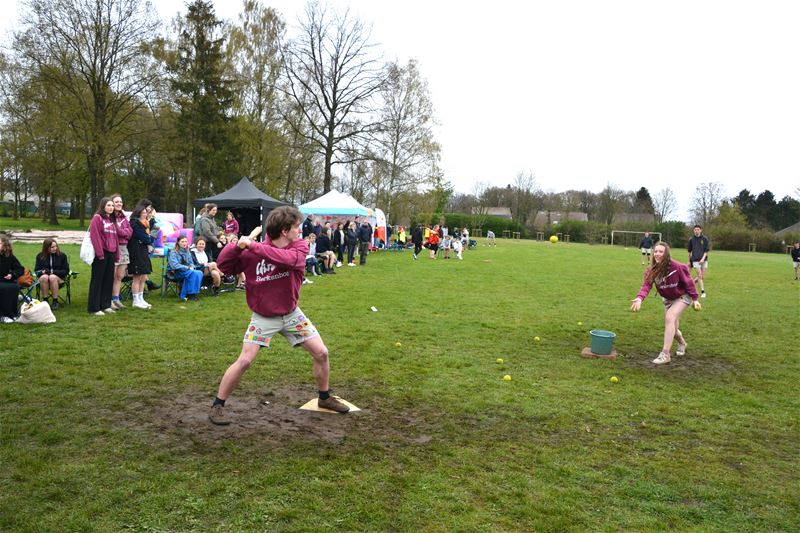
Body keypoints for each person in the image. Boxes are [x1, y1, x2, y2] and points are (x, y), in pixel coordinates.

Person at [208, 205, 350, 425]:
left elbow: (288, 260)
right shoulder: (251, 251)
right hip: (263, 316)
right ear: (284, 230)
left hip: (292, 314)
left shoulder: (299, 247)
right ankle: (218, 405)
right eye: (296, 227)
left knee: (321, 353)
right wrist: (237, 246)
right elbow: (224, 265)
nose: (300, 231)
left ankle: (324, 397)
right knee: (245, 360)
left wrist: (252, 247)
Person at [630, 241, 701, 365]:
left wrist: (695, 299)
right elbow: (646, 286)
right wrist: (640, 298)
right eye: (655, 251)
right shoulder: (651, 270)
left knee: (669, 318)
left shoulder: (678, 267)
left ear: (666, 254)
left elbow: (689, 283)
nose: (657, 254)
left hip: (682, 297)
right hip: (668, 300)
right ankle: (682, 343)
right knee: (673, 329)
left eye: (661, 251)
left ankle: (665, 354)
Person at [87, 197, 120, 316]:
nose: (111, 207)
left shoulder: (111, 220)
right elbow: (94, 236)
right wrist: (100, 254)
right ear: (103, 206)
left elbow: (115, 239)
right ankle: (94, 307)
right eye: (108, 205)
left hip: (111, 253)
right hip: (101, 254)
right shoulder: (97, 218)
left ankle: (105, 305)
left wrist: (116, 254)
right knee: (98, 280)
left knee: (108, 280)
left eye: (112, 205)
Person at [128, 200, 156, 309]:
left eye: (146, 212)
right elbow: (145, 238)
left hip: (143, 251)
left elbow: (147, 238)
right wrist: (150, 238)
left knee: (143, 277)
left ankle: (141, 298)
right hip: (136, 251)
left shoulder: (144, 224)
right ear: (139, 213)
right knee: (137, 277)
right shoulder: (135, 223)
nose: (146, 214)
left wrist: (149, 238)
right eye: (144, 212)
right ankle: (135, 300)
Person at [111, 194, 133, 309]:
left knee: (120, 275)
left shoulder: (123, 217)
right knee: (112, 275)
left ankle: (116, 299)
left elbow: (130, 231)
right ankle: (109, 300)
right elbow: (116, 231)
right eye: (116, 202)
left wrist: (123, 232)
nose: (119, 203)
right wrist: (123, 232)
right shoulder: (109, 216)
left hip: (124, 248)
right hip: (114, 247)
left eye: (120, 202)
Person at [34, 238, 69, 310]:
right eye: (52, 247)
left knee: (52, 277)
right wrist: (43, 272)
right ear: (46, 248)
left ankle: (55, 301)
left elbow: (66, 271)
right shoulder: (40, 256)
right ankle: (45, 301)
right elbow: (37, 271)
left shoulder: (62, 256)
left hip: (59, 279)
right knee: (44, 277)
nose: (55, 248)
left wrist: (52, 272)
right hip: (44, 280)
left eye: (55, 246)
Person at [168, 235, 203, 301]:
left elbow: (191, 263)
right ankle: (190, 294)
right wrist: (187, 267)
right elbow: (174, 265)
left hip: (186, 271)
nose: (184, 243)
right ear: (178, 242)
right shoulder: (173, 252)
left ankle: (193, 293)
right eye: (182, 241)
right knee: (192, 273)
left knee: (199, 272)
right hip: (175, 272)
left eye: (186, 241)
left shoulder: (187, 251)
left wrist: (192, 266)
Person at [0, 235, 24, 323]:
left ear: (5, 246)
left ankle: (12, 314)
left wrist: (12, 275)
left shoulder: (9, 256)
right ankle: (3, 315)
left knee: (14, 287)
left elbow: (20, 269)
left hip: (5, 280)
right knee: (3, 289)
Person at [687, 225, 710, 298]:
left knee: (702, 276)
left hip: (704, 260)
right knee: (699, 275)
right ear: (693, 230)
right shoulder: (691, 239)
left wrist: (703, 259)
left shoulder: (705, 239)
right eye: (695, 229)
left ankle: (690, 285)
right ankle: (703, 292)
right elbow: (689, 251)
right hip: (695, 260)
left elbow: (706, 250)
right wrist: (689, 261)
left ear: (701, 230)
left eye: (698, 229)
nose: (696, 231)